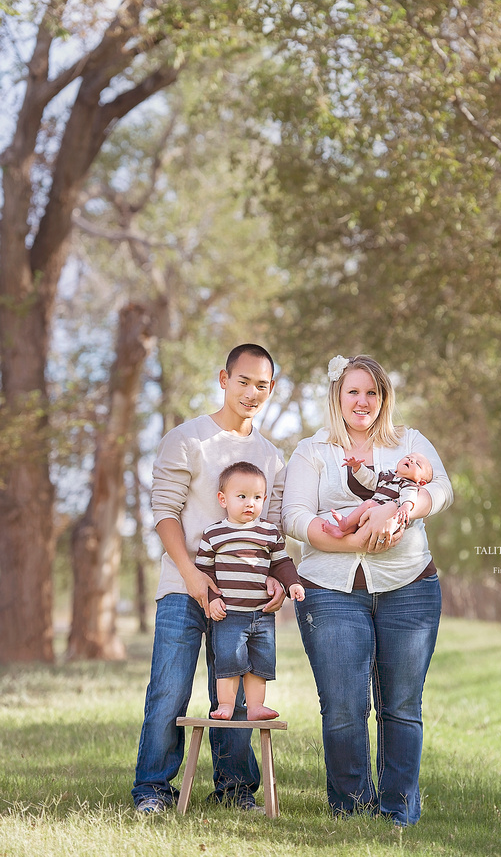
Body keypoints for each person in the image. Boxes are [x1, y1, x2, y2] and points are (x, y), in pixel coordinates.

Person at [282, 354, 453, 827]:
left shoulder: (410, 442)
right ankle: (352, 811)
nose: (363, 401)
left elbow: (441, 490)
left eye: (372, 393)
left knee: (400, 704)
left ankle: (398, 811)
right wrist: (353, 538)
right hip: (329, 590)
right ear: (338, 395)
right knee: (342, 705)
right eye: (353, 391)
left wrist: (401, 510)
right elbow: (293, 518)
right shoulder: (311, 450)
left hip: (409, 586)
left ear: (384, 398)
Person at [132, 344, 287, 814]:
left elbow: (273, 527)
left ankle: (235, 790)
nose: (252, 392)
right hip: (184, 586)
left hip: (244, 597)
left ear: (271, 389)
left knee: (237, 689)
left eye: (262, 384)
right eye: (243, 381)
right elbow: (165, 513)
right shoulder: (188, 439)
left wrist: (278, 580)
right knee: (170, 688)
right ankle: (153, 790)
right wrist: (193, 576)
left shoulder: (271, 456)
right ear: (224, 379)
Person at [195, 460, 305, 722]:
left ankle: (256, 707)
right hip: (229, 613)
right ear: (223, 499)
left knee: (260, 662)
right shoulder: (214, 534)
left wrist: (293, 583)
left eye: (256, 497)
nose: (249, 503)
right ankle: (226, 705)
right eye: (241, 496)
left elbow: (281, 562)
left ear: (264, 499)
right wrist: (211, 600)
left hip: (262, 614)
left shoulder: (269, 532)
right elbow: (204, 572)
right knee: (229, 660)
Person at [321, 451, 433, 539]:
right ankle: (340, 532)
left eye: (417, 464)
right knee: (359, 519)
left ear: (421, 483)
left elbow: (409, 496)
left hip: (385, 515)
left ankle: (345, 522)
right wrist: (357, 467)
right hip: (373, 512)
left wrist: (406, 507)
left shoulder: (407, 484)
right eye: (408, 458)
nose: (412, 460)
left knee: (368, 503)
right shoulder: (386, 476)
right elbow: (370, 479)